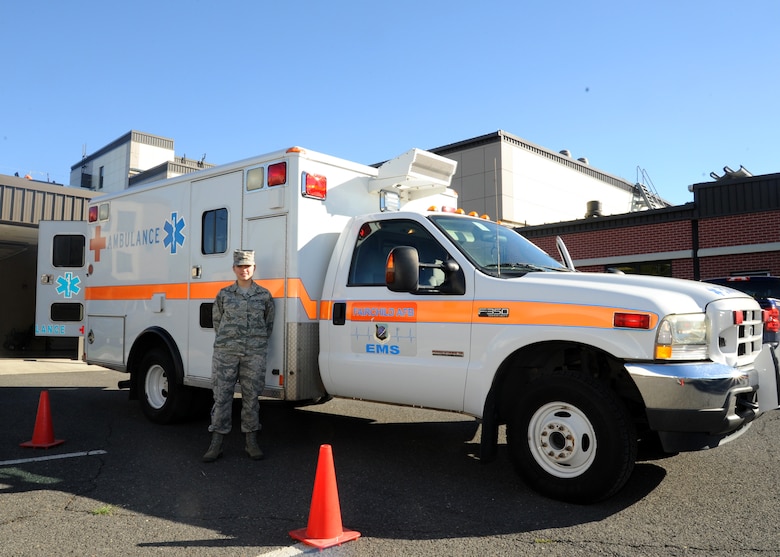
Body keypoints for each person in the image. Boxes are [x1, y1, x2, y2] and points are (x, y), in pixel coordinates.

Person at [203, 249, 275, 462]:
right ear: (234, 268)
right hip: (226, 354)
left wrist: (254, 343)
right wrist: (230, 341)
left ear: (254, 268)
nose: (244, 270)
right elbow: (217, 322)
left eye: (248, 266)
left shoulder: (264, 295)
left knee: (251, 398)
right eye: (240, 266)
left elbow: (268, 325)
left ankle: (251, 442)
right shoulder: (224, 294)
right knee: (222, 397)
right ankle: (216, 443)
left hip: (254, 354)